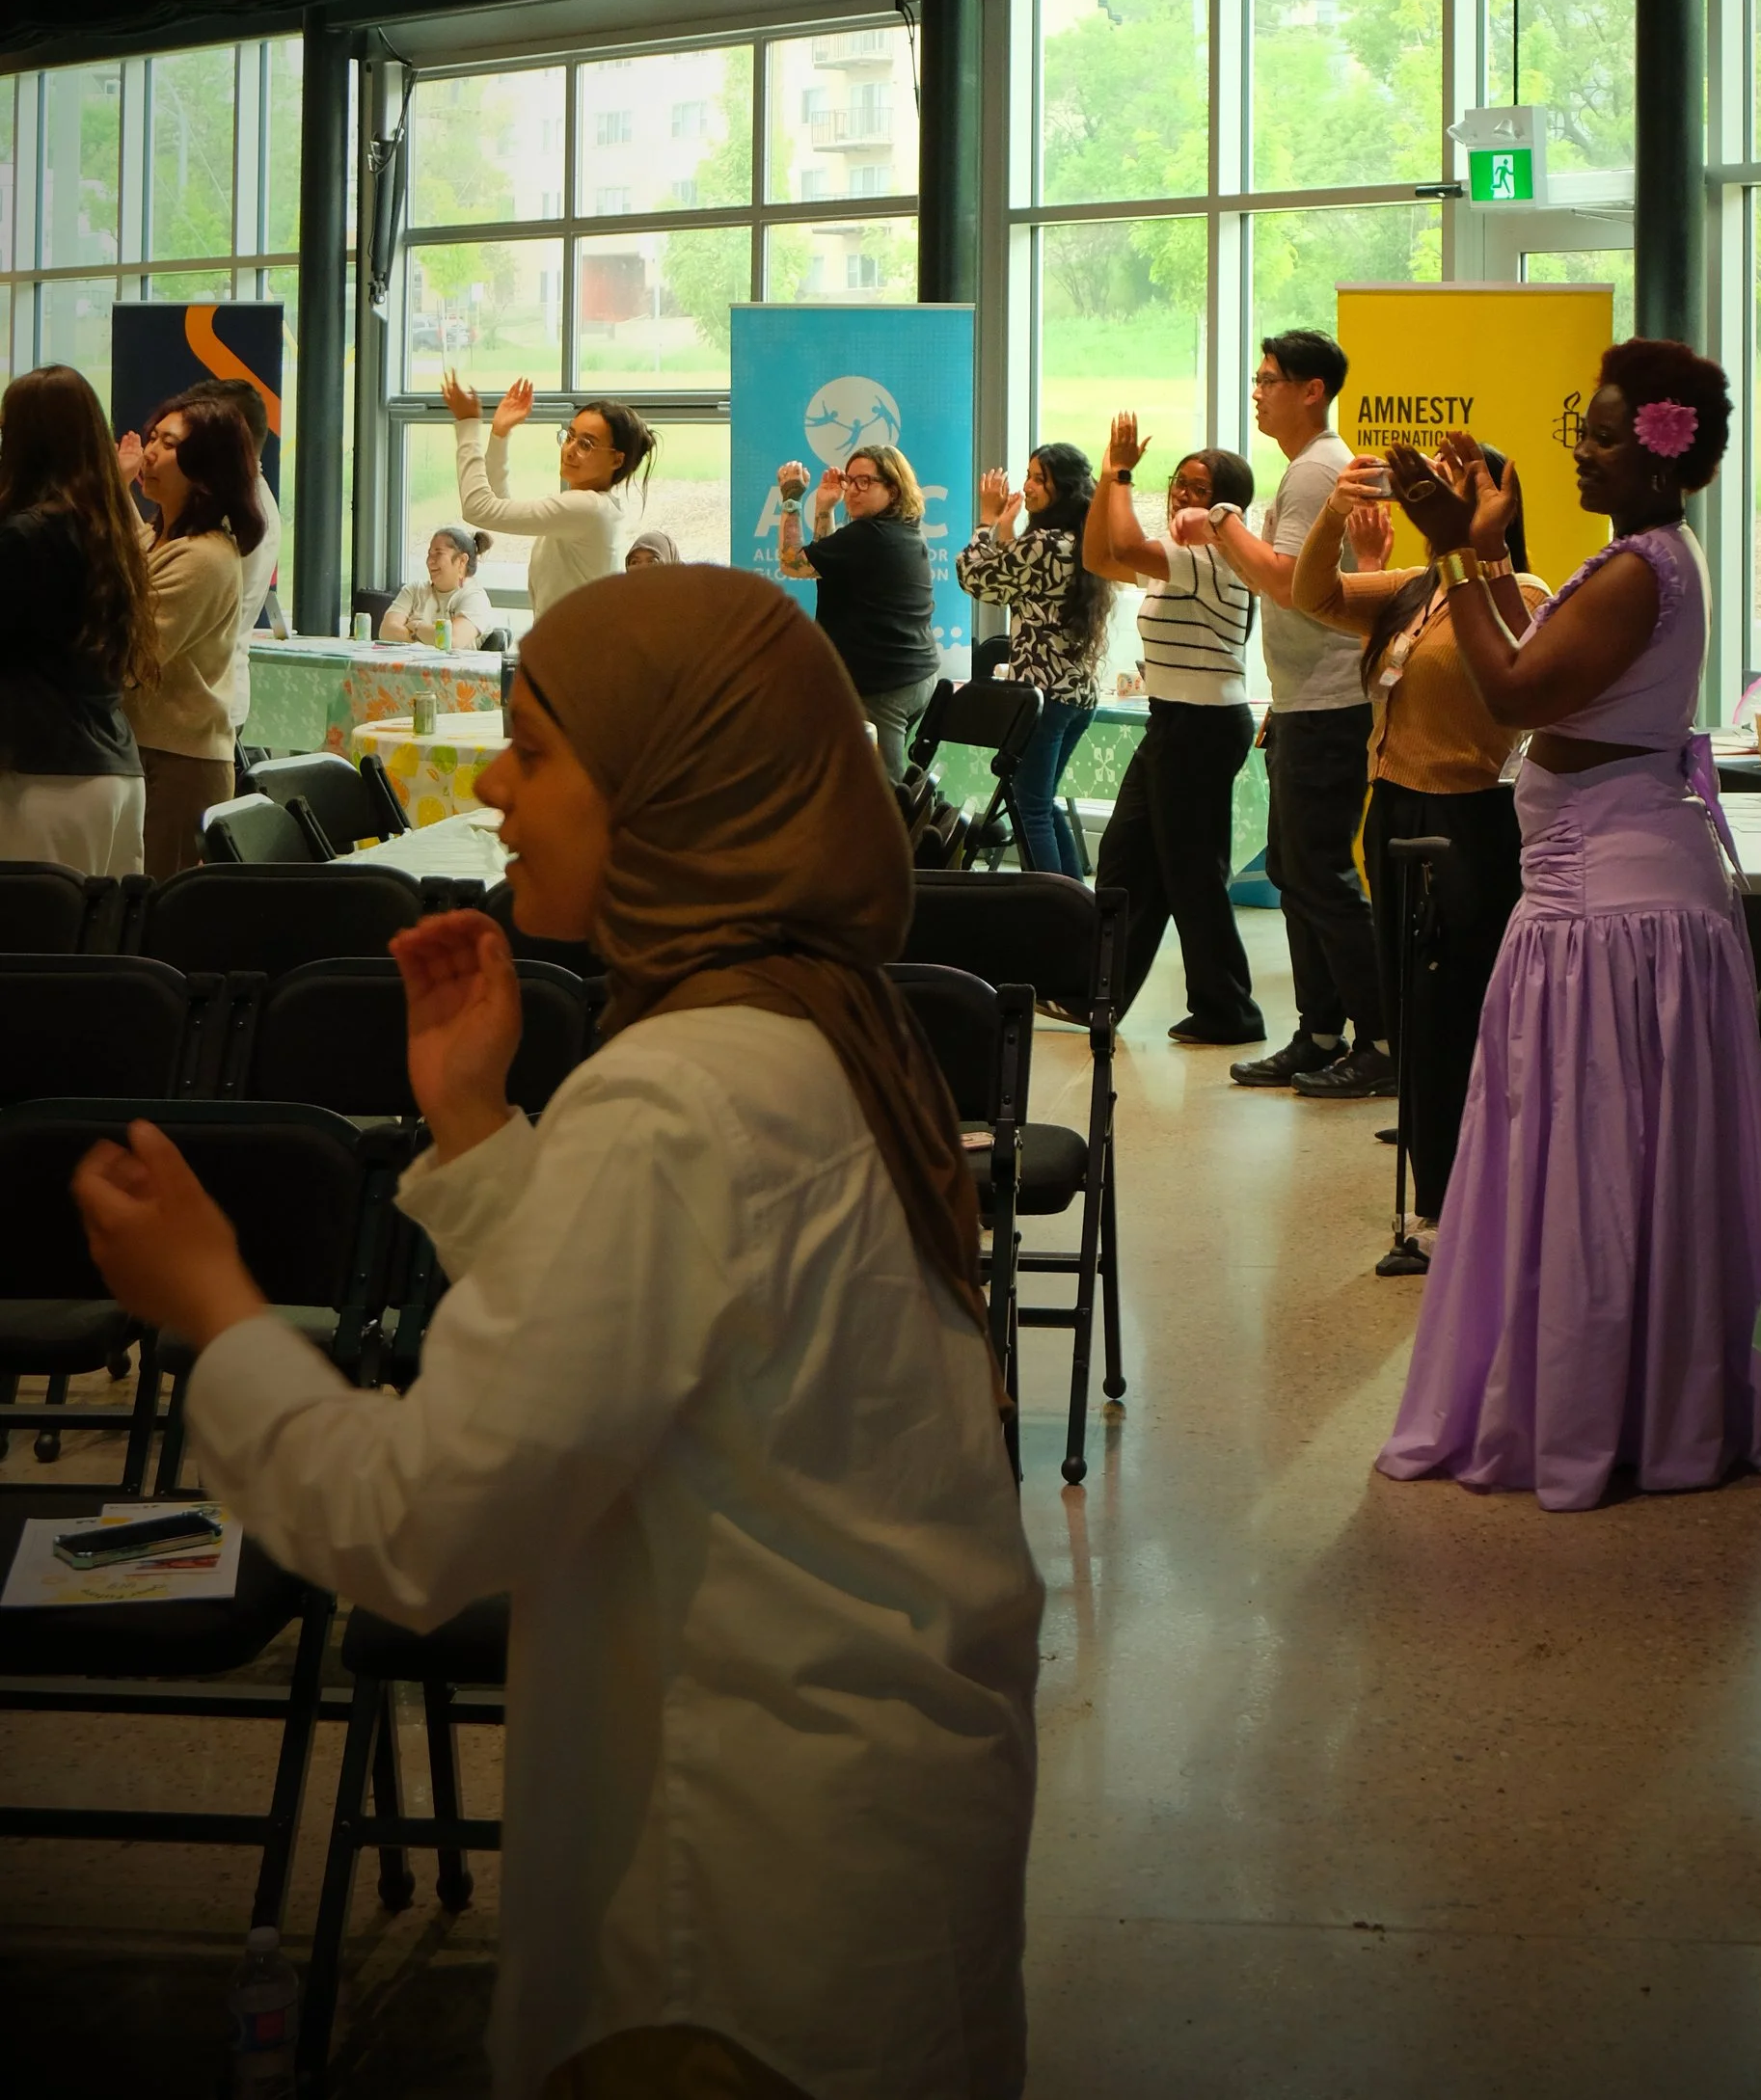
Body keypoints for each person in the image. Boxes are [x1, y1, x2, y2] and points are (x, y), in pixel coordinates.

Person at [72, 563, 1042, 2100]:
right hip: (861, 1859)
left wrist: (218, 1311)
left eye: (534, 749)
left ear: (669, 784)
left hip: (733, 1918)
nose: (498, 790)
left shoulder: (678, 1089)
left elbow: (422, 1523)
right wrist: (472, 1129)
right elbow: (664, 1354)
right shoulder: (807, 1023)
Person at [1376, 339, 1761, 1510]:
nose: (1580, 452)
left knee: (1597, 1172)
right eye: (1583, 433)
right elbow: (1539, 660)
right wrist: (1488, 551)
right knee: (1606, 1171)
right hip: (1610, 897)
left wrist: (1454, 549)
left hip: (1611, 917)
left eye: (1601, 437)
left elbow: (1509, 690)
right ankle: (1626, 1399)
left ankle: (1590, 1414)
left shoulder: (1639, 569)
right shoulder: (1643, 560)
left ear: (1662, 456)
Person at [1291, 435, 1548, 1201]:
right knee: (1409, 1010)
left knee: (1451, 1010)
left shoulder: (1522, 588)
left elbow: (1520, 661)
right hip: (1396, 808)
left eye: (1449, 480)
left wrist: (1481, 551)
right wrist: (1335, 512)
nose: (1427, 488)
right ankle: (1435, 1184)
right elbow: (1314, 595)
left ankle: (1464, 1193)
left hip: (1469, 821)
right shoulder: (1418, 587)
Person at [1199, 331, 1389, 1098]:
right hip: (1305, 698)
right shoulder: (1306, 470)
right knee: (1294, 871)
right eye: (1257, 377)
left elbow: (1285, 583)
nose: (1258, 391)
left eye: (1270, 379)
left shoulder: (1316, 474)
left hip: (1333, 701)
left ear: (1312, 391)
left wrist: (1222, 521)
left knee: (1321, 875)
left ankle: (1380, 1041)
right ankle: (1320, 1031)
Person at [1082, 416, 1263, 1044]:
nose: (1182, 494)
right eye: (1178, 483)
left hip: (1204, 724)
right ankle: (1098, 997)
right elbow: (1100, 554)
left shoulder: (1213, 558)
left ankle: (1231, 1011)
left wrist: (1123, 475)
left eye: (1198, 486)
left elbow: (1126, 547)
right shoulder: (1179, 559)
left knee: (1190, 873)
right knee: (1127, 857)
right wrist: (1110, 475)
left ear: (1226, 504)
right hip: (1175, 721)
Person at [0, 363, 154, 874]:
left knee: (32, 950)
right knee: (101, 948)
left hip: (42, 777)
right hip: (112, 771)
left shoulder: (27, 536)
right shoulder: (103, 528)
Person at [124, 393, 264, 877]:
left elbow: (134, 657)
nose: (149, 453)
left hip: (179, 760)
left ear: (205, 468)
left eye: (168, 443)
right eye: (151, 438)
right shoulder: (155, 535)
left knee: (153, 909)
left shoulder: (203, 556)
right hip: (147, 749)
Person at [957, 444, 1111, 872]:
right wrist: (1007, 527)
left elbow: (976, 577)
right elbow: (1015, 580)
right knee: (1040, 801)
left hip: (1046, 698)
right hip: (1076, 694)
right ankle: (1076, 903)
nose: (1028, 486)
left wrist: (986, 520)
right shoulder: (1075, 540)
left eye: (1040, 479)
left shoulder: (1044, 544)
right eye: (1028, 475)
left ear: (1065, 488)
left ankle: (1054, 911)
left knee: (1031, 808)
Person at [777, 441, 939, 780]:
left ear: (893, 490)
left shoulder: (869, 535)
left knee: (885, 797)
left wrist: (791, 498)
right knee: (880, 786)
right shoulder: (903, 532)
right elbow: (828, 565)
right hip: (915, 678)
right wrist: (825, 508)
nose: (852, 490)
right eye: (849, 480)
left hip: (882, 687)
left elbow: (793, 563)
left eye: (865, 482)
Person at [444, 373, 655, 623]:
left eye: (586, 444)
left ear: (617, 460)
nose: (570, 450)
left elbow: (477, 509)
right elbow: (500, 505)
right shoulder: (588, 507)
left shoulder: (588, 508)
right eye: (570, 436)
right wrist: (500, 433)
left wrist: (468, 424)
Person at [382, 522, 493, 647]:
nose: (429, 561)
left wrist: (415, 626)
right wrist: (430, 637)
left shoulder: (475, 598)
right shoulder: (414, 590)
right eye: (429, 554)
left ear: (462, 561)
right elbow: (386, 631)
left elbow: (452, 640)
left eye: (438, 553)